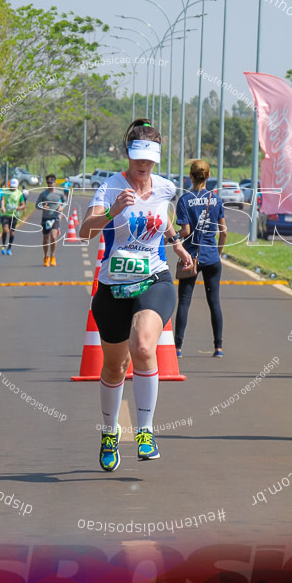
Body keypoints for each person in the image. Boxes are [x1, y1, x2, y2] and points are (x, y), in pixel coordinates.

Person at [78, 118, 193, 472]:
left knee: (143, 346)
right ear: (128, 155)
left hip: (154, 279)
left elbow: (161, 218)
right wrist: (112, 212)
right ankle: (110, 432)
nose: (144, 166)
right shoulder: (109, 188)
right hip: (114, 287)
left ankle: (144, 431)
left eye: (150, 160)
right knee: (115, 367)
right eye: (138, 158)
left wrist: (175, 244)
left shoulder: (164, 188)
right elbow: (84, 232)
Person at [174, 159, 227, 358]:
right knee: (214, 302)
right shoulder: (216, 200)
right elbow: (224, 233)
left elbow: (186, 230)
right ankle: (218, 347)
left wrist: (173, 237)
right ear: (208, 175)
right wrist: (218, 254)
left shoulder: (185, 200)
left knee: (185, 301)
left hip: (191, 256)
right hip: (211, 256)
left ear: (190, 176)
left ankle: (178, 348)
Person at [36, 174, 64, 267]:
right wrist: (42, 207)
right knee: (46, 239)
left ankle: (53, 256)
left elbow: (65, 202)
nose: (49, 184)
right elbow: (37, 205)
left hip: (55, 217)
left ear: (55, 182)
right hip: (46, 218)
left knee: (54, 237)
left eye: (51, 182)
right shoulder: (43, 194)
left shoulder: (59, 193)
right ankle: (46, 257)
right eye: (48, 182)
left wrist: (61, 207)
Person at [0, 179, 25, 256]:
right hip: (5, 214)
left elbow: (23, 204)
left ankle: (9, 248)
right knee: (5, 229)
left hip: (14, 215)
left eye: (14, 187)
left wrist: (19, 208)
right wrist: (2, 206)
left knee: (12, 232)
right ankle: (3, 246)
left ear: (17, 186)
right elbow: (2, 199)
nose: (12, 188)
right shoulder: (5, 191)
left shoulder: (19, 193)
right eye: (11, 186)